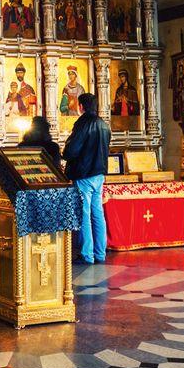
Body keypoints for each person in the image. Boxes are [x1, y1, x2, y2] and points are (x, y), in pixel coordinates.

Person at [63, 93, 111, 265]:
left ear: (81, 106)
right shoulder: (104, 124)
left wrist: (66, 152)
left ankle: (87, 254)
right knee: (98, 213)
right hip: (99, 174)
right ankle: (100, 253)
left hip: (84, 174)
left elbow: (72, 150)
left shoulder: (83, 123)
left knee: (84, 213)